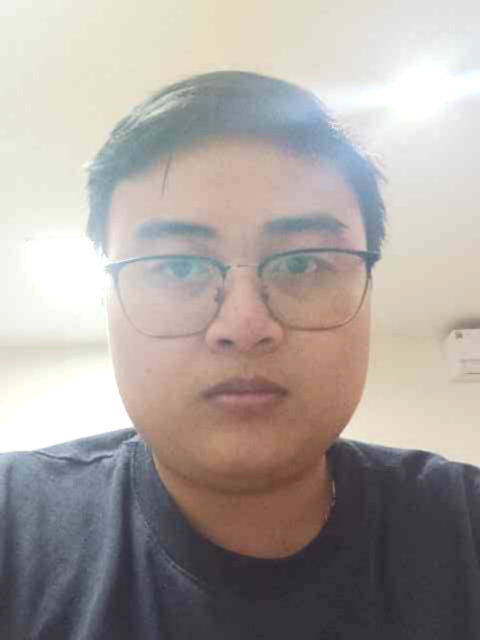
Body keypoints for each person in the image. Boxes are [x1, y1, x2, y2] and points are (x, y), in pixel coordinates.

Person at [1, 71, 479, 639]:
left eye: (302, 263)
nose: (244, 326)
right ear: (108, 302)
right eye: (179, 267)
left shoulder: (465, 529)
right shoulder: (14, 528)